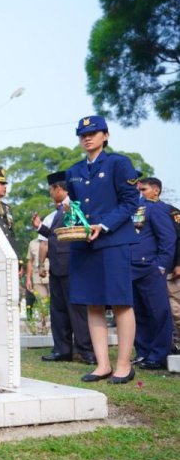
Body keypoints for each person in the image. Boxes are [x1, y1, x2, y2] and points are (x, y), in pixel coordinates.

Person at [66, 115, 139, 384]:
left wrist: (104, 225)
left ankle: (123, 365)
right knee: (92, 302)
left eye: (94, 132)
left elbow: (131, 201)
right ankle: (102, 365)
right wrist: (72, 226)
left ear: (105, 136)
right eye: (82, 134)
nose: (87, 137)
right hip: (84, 244)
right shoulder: (73, 171)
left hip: (113, 241)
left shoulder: (119, 163)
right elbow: (75, 208)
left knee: (121, 302)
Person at [32, 171, 94, 364]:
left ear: (58, 188)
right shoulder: (61, 209)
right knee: (58, 311)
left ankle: (86, 351)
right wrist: (40, 228)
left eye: (51, 190)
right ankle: (62, 350)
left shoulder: (73, 206)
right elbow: (57, 235)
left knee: (77, 310)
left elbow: (77, 232)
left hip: (72, 266)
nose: (51, 193)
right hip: (57, 267)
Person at [131, 178, 176, 369]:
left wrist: (161, 265)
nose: (140, 191)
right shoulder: (136, 208)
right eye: (139, 188)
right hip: (132, 267)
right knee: (138, 313)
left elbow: (168, 238)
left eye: (144, 188)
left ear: (156, 191)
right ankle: (143, 352)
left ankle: (158, 355)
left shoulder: (157, 208)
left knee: (158, 312)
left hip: (150, 267)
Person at [25, 237, 49, 322]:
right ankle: (43, 325)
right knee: (41, 302)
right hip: (37, 278)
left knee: (55, 302)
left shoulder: (53, 239)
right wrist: (28, 279)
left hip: (52, 276)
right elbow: (29, 261)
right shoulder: (32, 243)